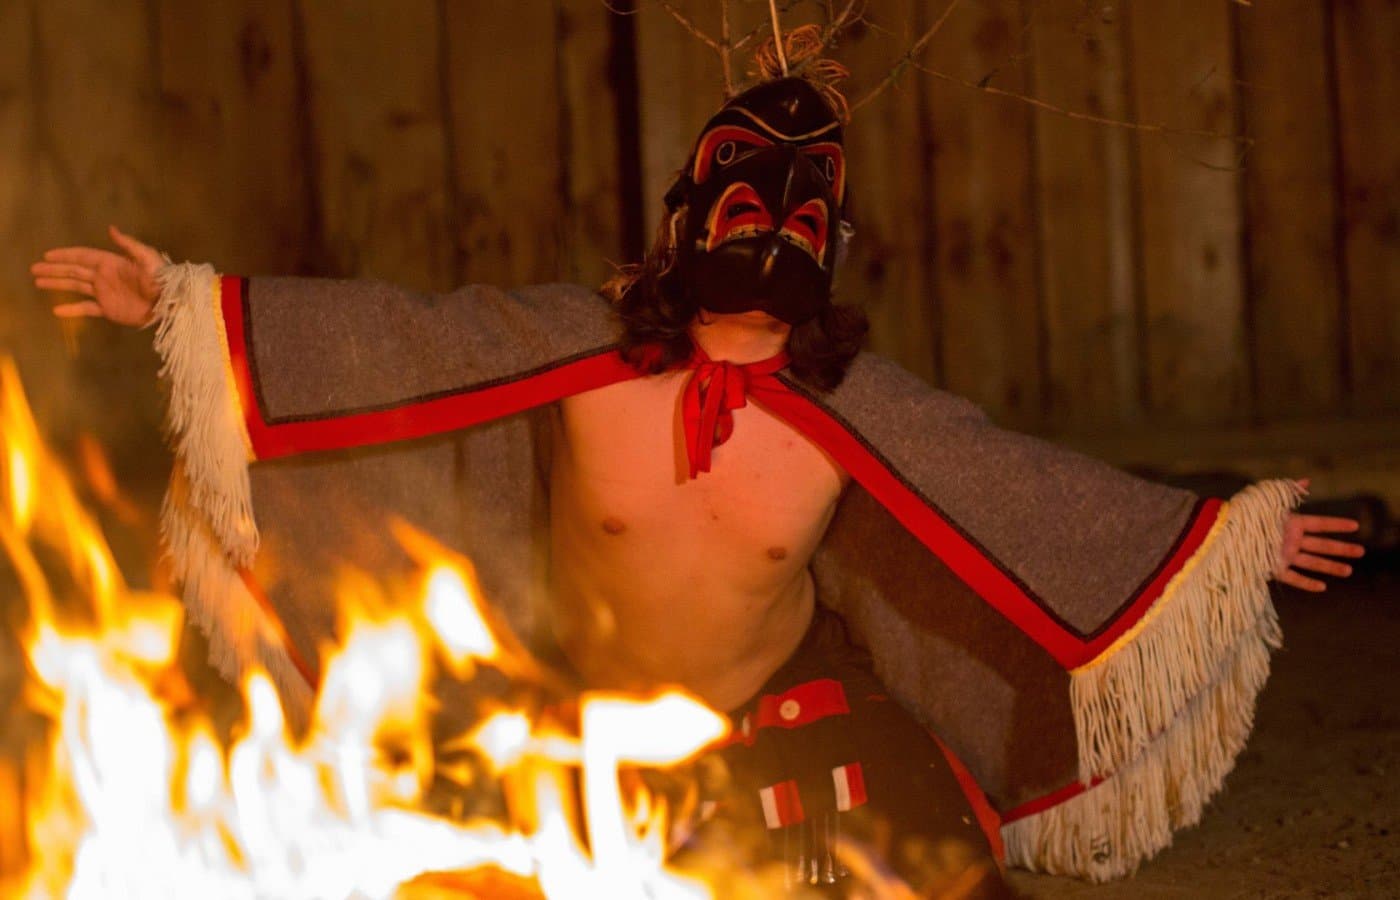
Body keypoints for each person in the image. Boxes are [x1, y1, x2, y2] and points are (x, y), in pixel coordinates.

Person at [30, 55, 1362, 896]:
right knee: (455, 882)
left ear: (833, 248)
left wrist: (1217, 538)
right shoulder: (576, 351)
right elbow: (395, 345)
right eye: (744, 202)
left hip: (788, 709)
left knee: (941, 879)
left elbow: (1015, 491)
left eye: (802, 217)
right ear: (685, 225)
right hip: (579, 709)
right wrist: (181, 301)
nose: (770, 238)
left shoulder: (856, 409)